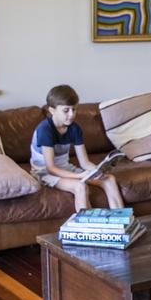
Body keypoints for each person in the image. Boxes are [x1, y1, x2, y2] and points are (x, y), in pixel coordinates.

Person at [30, 84, 125, 212]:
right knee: (80, 186)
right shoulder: (45, 130)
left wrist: (97, 171)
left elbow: (84, 162)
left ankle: (123, 224)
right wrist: (80, 176)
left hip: (65, 168)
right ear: (52, 110)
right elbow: (51, 168)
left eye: (74, 109)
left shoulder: (74, 128)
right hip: (44, 172)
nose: (71, 114)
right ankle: (87, 229)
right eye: (66, 110)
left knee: (109, 179)